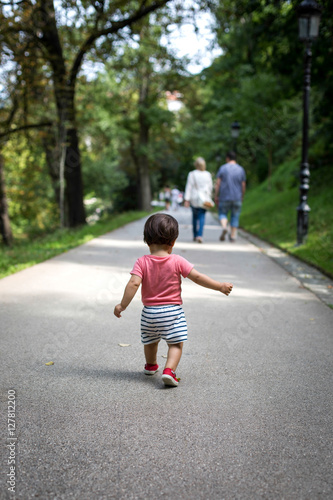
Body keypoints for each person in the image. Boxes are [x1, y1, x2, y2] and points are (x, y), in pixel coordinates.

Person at [114, 213, 233, 387]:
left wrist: (122, 305)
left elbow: (133, 283)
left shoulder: (142, 262)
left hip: (149, 314)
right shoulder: (177, 260)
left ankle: (151, 365)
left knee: (150, 341)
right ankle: (169, 371)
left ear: (146, 241)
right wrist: (220, 286)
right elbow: (198, 277)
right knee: (176, 344)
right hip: (172, 312)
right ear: (173, 242)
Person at [215, 151, 246, 242]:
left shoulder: (223, 168)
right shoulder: (241, 169)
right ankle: (233, 236)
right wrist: (242, 196)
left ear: (227, 158)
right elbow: (243, 185)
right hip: (237, 197)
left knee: (222, 213)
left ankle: (224, 227)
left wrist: (216, 195)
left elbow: (218, 183)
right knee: (235, 216)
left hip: (224, 197)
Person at [184, 157, 213, 243]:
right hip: (204, 198)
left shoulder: (192, 174)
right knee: (202, 216)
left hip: (194, 198)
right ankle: (200, 235)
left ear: (196, 164)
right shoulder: (207, 174)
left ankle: (195, 235)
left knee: (194, 217)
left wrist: (186, 199)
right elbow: (210, 187)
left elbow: (189, 187)